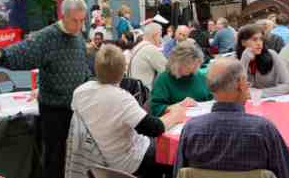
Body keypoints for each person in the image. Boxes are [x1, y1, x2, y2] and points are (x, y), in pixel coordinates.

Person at [0, 0, 91, 178]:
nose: (79, 26)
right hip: (54, 110)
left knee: (76, 156)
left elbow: (82, 66)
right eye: (74, 21)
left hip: (76, 108)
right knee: (55, 157)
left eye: (82, 20)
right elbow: (23, 52)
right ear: (63, 16)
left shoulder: (78, 36)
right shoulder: (46, 37)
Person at [71, 44, 185, 178]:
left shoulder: (81, 91)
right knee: (173, 154)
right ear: (123, 70)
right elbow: (155, 128)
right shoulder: (121, 98)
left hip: (96, 159)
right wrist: (175, 115)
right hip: (127, 162)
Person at [174, 57, 289, 178]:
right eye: (246, 81)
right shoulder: (263, 130)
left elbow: (179, 173)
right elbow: (287, 173)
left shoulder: (191, 130)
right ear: (241, 84)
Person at [151, 41, 212, 117]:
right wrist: (178, 106)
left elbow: (211, 98)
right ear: (176, 64)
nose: (193, 70)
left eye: (196, 66)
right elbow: (155, 108)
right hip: (176, 123)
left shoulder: (199, 76)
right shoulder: (163, 80)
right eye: (188, 67)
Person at [236, 24, 289, 98]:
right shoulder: (234, 59)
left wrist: (260, 93)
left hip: (270, 102)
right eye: (254, 39)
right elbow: (236, 90)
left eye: (261, 39)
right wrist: (244, 61)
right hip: (246, 105)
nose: (259, 43)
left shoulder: (272, 55)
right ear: (243, 42)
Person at [128, 23, 167, 91]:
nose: (161, 40)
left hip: (134, 91)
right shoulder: (151, 49)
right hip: (146, 94)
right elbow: (167, 71)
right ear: (155, 36)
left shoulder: (137, 46)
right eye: (160, 36)